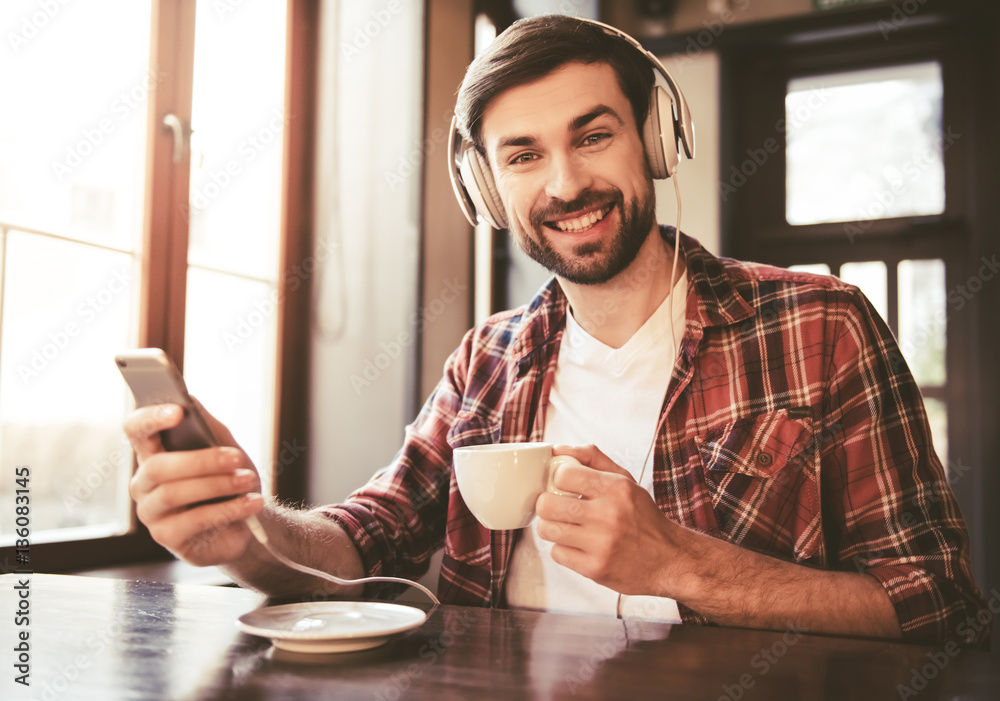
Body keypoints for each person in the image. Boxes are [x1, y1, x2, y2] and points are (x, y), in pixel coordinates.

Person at [125, 14, 989, 646]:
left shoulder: (821, 325)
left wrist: (679, 564)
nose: (566, 183)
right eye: (524, 155)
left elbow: (937, 603)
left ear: (651, 139)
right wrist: (244, 532)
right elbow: (362, 540)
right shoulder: (486, 360)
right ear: (490, 191)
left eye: (593, 135)